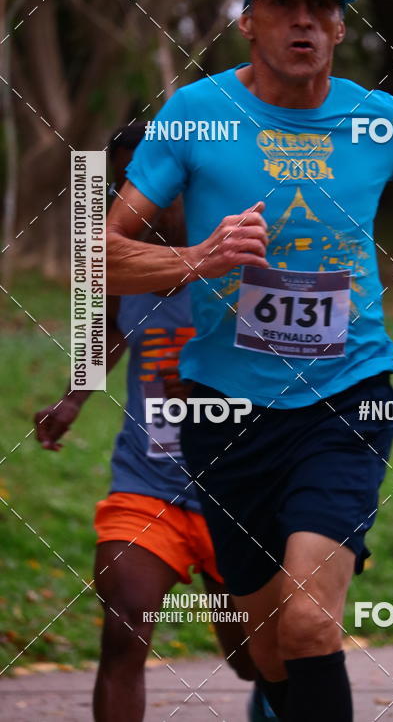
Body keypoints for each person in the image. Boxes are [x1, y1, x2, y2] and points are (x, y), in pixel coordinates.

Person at [106, 0, 393, 721]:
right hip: (225, 412)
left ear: (341, 28)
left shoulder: (381, 122)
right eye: (283, 4)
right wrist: (200, 257)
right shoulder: (197, 114)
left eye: (322, 8)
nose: (304, 21)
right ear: (249, 20)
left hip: (348, 397)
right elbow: (101, 253)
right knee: (264, 648)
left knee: (311, 623)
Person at [34, 122, 276, 722]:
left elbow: (292, 367)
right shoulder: (122, 259)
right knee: (124, 627)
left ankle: (271, 694)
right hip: (149, 485)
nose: (133, 196)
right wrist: (72, 399)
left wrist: (208, 387)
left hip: (237, 491)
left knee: (254, 657)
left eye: (149, 182)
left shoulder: (243, 254)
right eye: (124, 181)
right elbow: (111, 332)